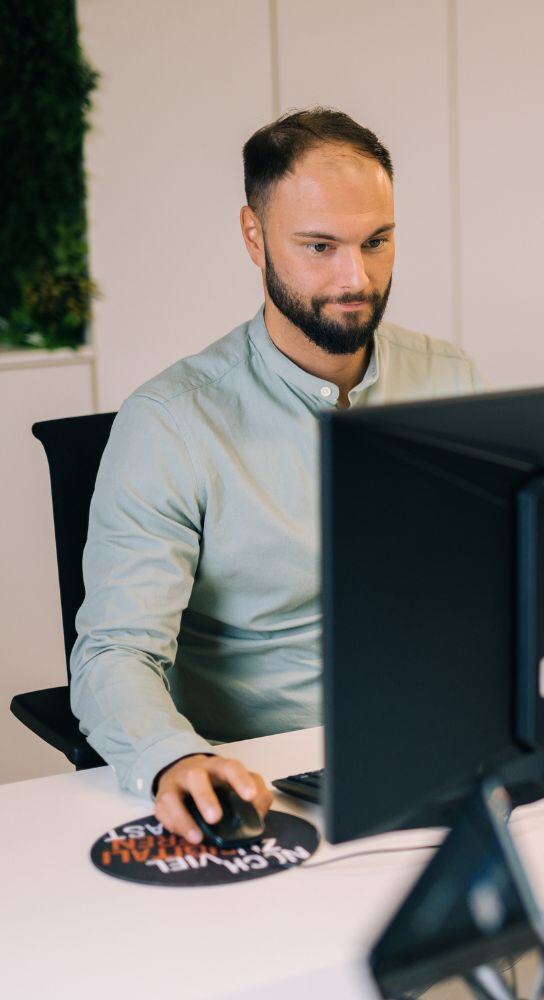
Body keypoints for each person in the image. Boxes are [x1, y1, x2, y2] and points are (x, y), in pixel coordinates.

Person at [70, 108, 484, 844]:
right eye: (319, 246)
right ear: (254, 236)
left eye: (377, 242)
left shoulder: (449, 379)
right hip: (270, 780)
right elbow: (115, 653)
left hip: (437, 750)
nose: (355, 278)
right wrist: (174, 758)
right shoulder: (171, 422)